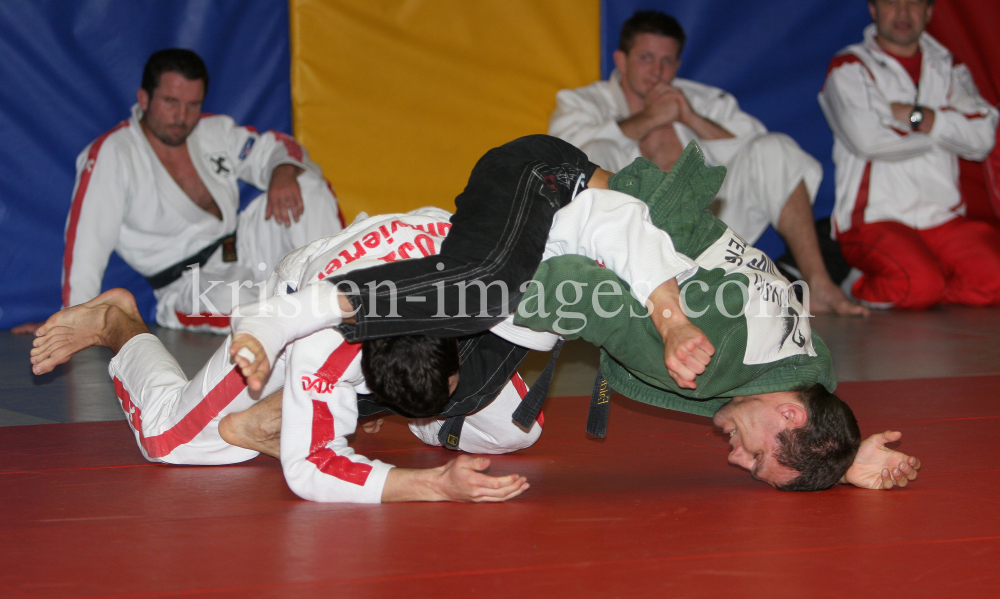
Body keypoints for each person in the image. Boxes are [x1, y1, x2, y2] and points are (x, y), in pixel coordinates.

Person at [225, 144, 920, 494]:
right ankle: (298, 328)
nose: (736, 457)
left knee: (485, 405)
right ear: (789, 418)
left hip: (580, 221)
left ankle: (361, 390)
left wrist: (843, 455)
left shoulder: (803, 371)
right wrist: (439, 319)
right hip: (549, 193)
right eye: (757, 456)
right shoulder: (704, 351)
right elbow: (567, 285)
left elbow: (820, 389)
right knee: (481, 301)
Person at [549, 10, 866, 317]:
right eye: (646, 58)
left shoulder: (702, 100)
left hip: (711, 228)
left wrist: (690, 118)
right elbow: (562, 161)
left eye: (667, 61)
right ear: (621, 60)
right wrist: (647, 119)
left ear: (678, 65)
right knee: (595, 150)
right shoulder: (582, 102)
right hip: (634, 240)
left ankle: (819, 284)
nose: (657, 72)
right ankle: (624, 293)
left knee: (773, 149)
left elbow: (756, 145)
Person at [15, 48, 343, 335]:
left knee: (306, 186)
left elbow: (279, 148)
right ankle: (326, 316)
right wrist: (72, 318)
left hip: (246, 245)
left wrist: (282, 171)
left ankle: (344, 289)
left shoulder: (214, 130)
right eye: (171, 102)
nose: (182, 117)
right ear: (144, 99)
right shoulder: (113, 155)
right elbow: (87, 243)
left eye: (192, 105)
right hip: (193, 283)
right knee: (244, 303)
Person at [818, 0, 1000, 309]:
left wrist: (917, 116)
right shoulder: (849, 66)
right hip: (874, 219)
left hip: (941, 217)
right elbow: (870, 140)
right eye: (891, 3)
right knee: (917, 286)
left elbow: (983, 138)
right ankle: (859, 281)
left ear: (929, 12)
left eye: (914, 3)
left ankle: (931, 281)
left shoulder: (949, 65)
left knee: (993, 280)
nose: (903, 13)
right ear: (873, 10)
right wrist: (946, 127)